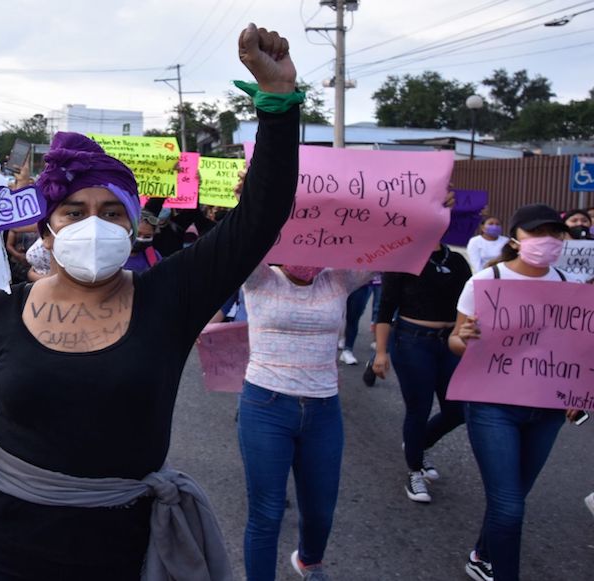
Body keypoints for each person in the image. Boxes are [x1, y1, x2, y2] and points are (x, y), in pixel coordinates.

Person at [0, 24, 300, 579]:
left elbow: (259, 219)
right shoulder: (4, 311)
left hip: (115, 551)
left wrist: (277, 103)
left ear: (132, 226)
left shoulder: (168, 298)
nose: (93, 225)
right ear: (47, 232)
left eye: (112, 212)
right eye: (74, 213)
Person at [449, 204, 586, 581]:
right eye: (537, 232)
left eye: (554, 233)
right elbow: (455, 341)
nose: (547, 240)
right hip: (493, 407)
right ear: (515, 239)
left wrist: (579, 392)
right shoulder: (485, 281)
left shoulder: (570, 285)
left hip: (546, 410)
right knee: (509, 506)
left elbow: (577, 350)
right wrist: (464, 338)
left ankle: (481, 555)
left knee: (511, 498)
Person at [238, 262, 372, 581]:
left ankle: (309, 562)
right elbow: (231, 241)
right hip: (266, 406)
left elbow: (385, 247)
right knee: (267, 513)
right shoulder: (258, 276)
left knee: (320, 510)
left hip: (323, 409)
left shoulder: (338, 277)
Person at [371, 243, 472, 503]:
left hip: (450, 343)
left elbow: (471, 303)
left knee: (457, 410)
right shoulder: (403, 259)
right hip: (412, 342)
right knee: (419, 408)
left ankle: (418, 443)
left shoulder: (457, 261)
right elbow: (385, 309)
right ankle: (414, 470)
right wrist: (381, 352)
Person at [123, 209, 162, 273]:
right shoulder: (110, 255)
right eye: (137, 234)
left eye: (147, 236)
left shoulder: (153, 256)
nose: (141, 239)